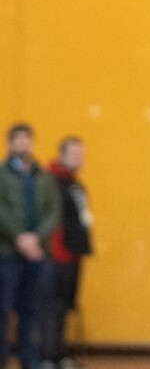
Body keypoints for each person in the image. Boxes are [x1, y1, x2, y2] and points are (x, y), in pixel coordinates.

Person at [0, 124, 60, 369]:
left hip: (37, 254)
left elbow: (53, 212)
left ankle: (30, 358)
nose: (23, 144)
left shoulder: (44, 177)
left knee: (31, 309)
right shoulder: (2, 176)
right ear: (9, 144)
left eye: (27, 139)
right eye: (18, 139)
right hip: (7, 253)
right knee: (3, 309)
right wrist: (19, 238)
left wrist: (36, 238)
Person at [39, 136, 93, 369]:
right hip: (56, 255)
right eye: (73, 154)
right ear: (61, 154)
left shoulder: (76, 185)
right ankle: (46, 357)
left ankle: (59, 354)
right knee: (51, 307)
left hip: (74, 254)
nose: (78, 158)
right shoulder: (50, 181)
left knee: (64, 306)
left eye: (81, 154)